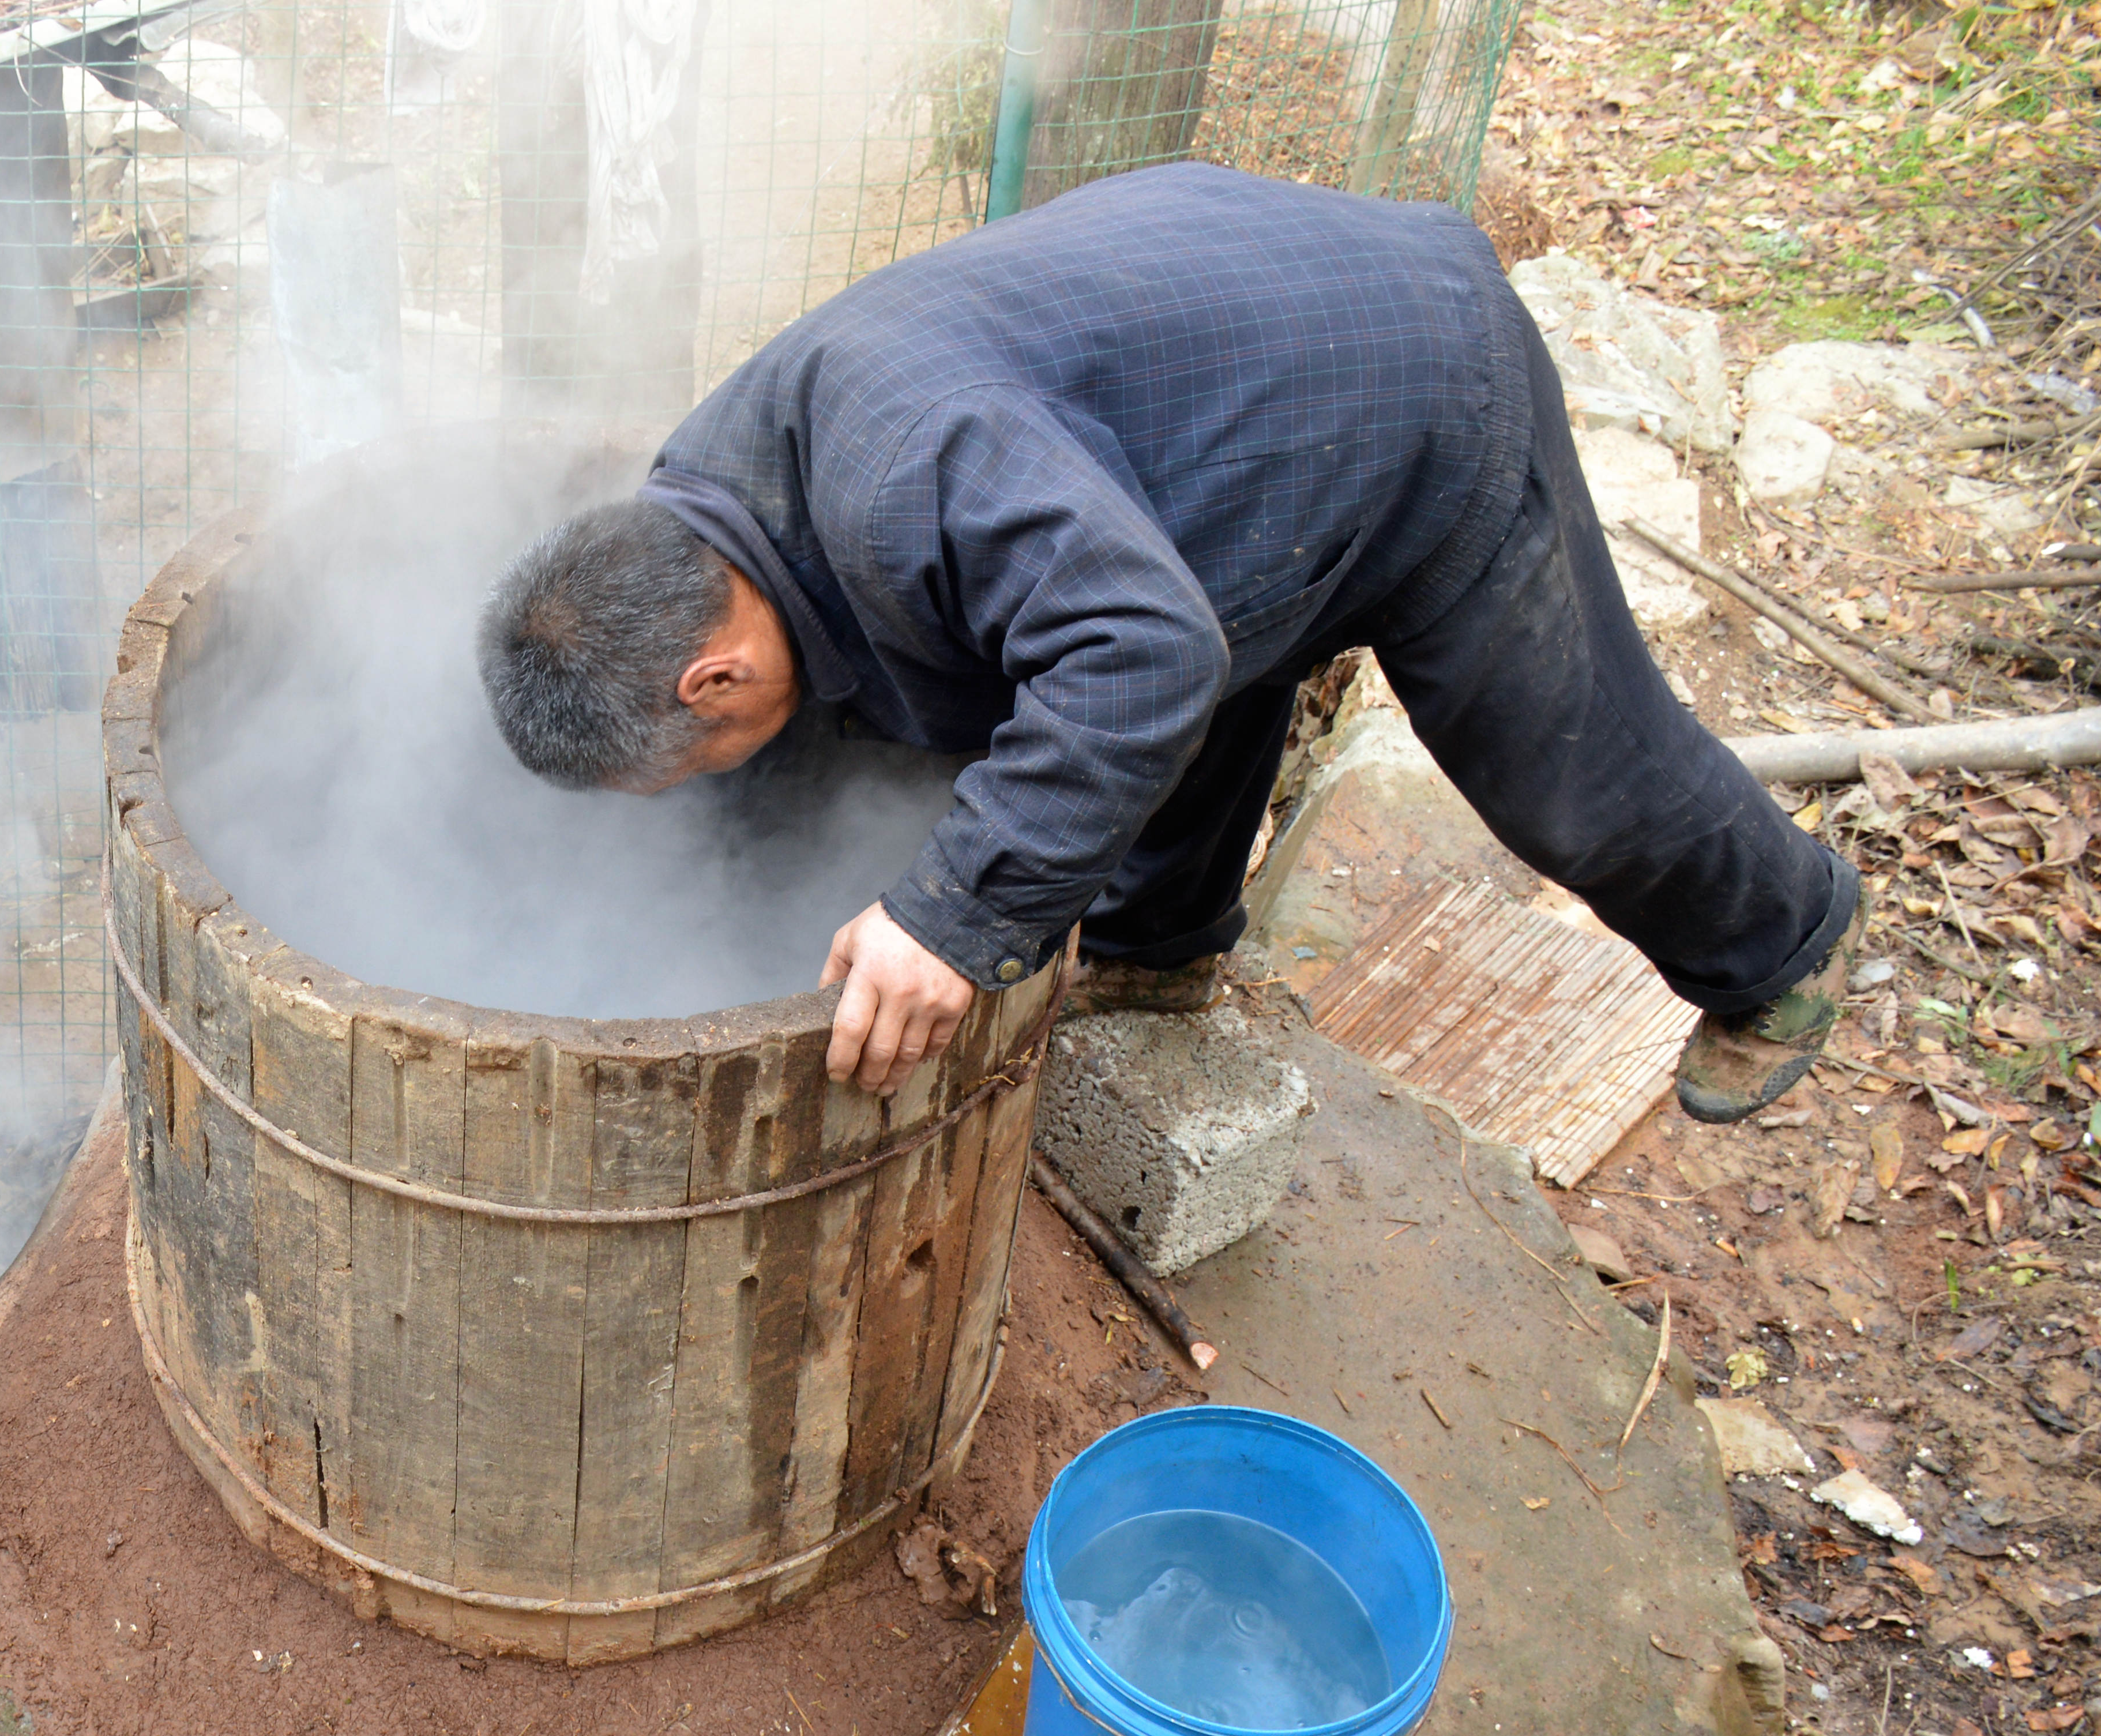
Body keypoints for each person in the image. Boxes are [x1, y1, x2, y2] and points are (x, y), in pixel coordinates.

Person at [475, 163, 1861, 1125]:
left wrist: (949, 916)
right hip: (1205, 412)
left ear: (712, 674)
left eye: (690, 760)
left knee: (1562, 765)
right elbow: (1126, 630)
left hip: (1405, 376)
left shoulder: (911, 472)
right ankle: (1158, 945)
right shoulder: (699, 500)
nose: (709, 782)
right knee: (1170, 636)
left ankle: (1781, 945)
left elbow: (1140, 654)